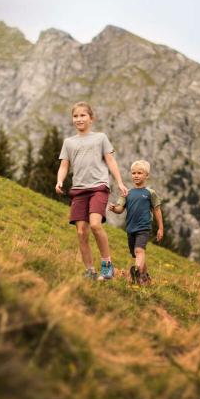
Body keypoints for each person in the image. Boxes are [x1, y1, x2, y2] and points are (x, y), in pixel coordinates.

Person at [56, 102, 128, 280]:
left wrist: (119, 182)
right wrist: (59, 180)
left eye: (83, 115)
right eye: (75, 116)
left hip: (98, 187)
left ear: (91, 119)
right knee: (81, 231)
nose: (79, 119)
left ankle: (107, 265)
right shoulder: (69, 142)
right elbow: (64, 165)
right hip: (78, 190)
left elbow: (110, 161)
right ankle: (90, 271)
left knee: (95, 224)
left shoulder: (100, 138)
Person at [108, 160, 164, 285]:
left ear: (146, 175)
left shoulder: (150, 193)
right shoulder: (127, 193)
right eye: (134, 173)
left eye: (139, 173)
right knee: (137, 254)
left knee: (139, 250)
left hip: (144, 228)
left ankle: (137, 272)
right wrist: (113, 208)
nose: (136, 175)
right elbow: (120, 209)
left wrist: (160, 228)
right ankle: (144, 277)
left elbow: (157, 210)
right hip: (130, 229)